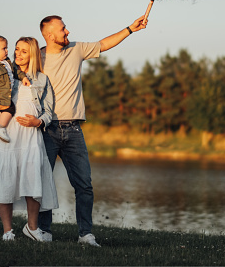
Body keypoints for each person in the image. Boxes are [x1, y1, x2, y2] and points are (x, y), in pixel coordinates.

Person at [38, 14, 148, 246]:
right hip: (46, 130)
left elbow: (104, 44)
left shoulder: (76, 49)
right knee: (43, 182)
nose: (67, 32)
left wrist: (130, 29)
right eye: (62, 29)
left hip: (74, 130)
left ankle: (85, 234)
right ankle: (43, 231)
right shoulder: (37, 58)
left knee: (84, 186)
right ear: (49, 35)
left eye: (66, 28)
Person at [0, 37, 57, 242]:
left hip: (29, 136)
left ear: (33, 55)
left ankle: (32, 228)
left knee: (32, 177)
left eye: (23, 51)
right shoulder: (0, 70)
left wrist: (38, 122)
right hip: (2, 135)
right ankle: (7, 231)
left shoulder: (42, 79)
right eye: (16, 50)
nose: (17, 54)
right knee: (5, 178)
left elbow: (48, 112)